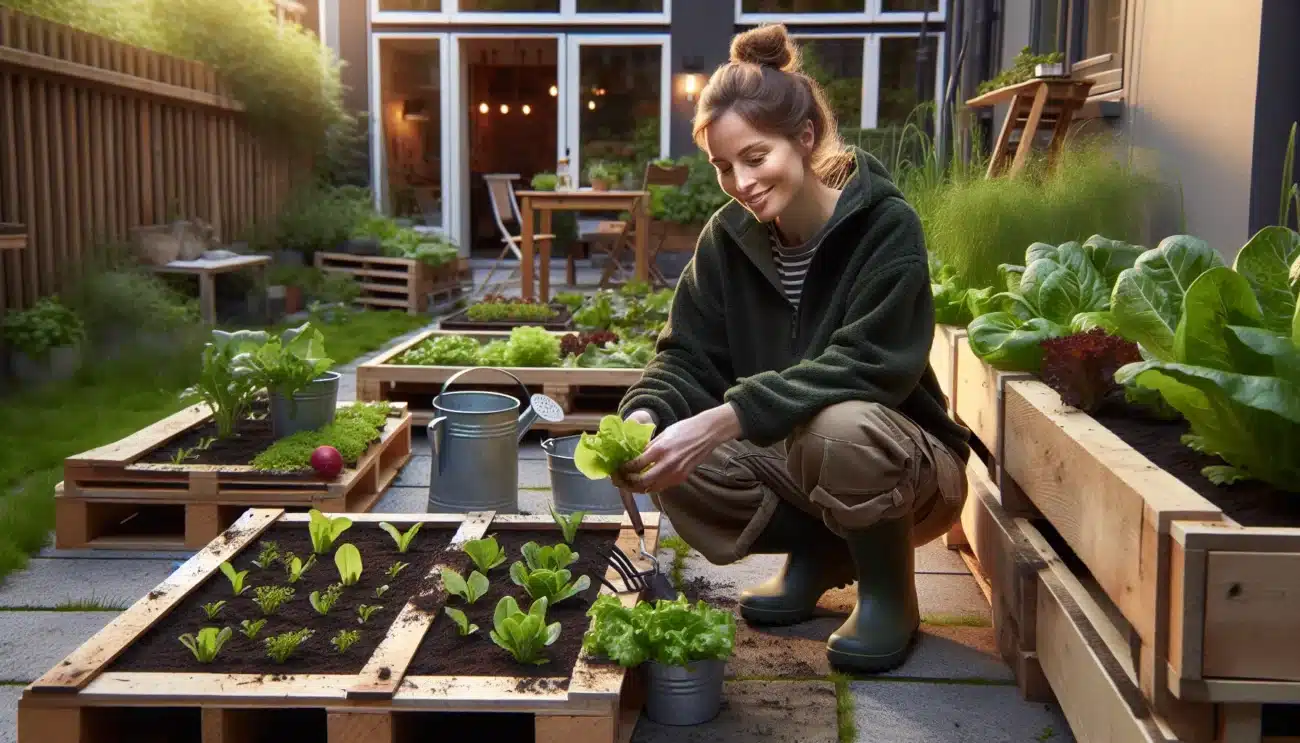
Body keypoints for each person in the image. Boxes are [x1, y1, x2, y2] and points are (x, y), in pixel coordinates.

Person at [611, 23, 972, 674]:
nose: (741, 181)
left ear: (803, 139)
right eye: (724, 167)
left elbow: (865, 366)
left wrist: (722, 417)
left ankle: (891, 589)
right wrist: (646, 418)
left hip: (910, 467)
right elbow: (685, 353)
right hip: (806, 460)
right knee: (677, 463)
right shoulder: (729, 239)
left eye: (755, 157)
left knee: (835, 429)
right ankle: (822, 553)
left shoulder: (885, 225)